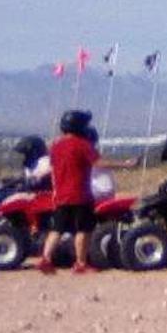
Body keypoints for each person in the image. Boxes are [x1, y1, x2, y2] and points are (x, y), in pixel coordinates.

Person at [36, 109, 99, 275]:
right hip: (80, 195)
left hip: (61, 196)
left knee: (57, 229)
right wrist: (126, 164)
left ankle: (45, 258)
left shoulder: (56, 146)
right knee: (83, 230)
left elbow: (53, 169)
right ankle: (80, 263)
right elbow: (98, 163)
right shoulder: (83, 144)